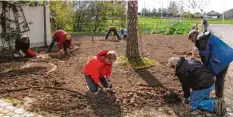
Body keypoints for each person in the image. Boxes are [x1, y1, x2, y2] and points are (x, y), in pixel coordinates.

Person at [188, 30, 233, 98]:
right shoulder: (205, 36)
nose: (193, 41)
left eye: (192, 39)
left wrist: (205, 68)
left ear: (194, 35)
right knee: (220, 77)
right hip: (227, 55)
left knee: (208, 76)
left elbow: (205, 55)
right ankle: (219, 95)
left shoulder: (201, 40)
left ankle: (206, 95)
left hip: (220, 59)